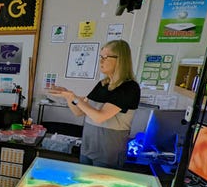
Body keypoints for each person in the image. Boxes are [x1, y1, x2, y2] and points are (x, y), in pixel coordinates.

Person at [48, 39, 141, 169]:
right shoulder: (102, 85)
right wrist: (68, 96)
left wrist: (73, 97)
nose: (101, 61)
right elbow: (79, 111)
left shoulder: (129, 88)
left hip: (108, 155)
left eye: (106, 57)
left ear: (120, 59)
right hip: (88, 149)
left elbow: (99, 117)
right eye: (100, 57)